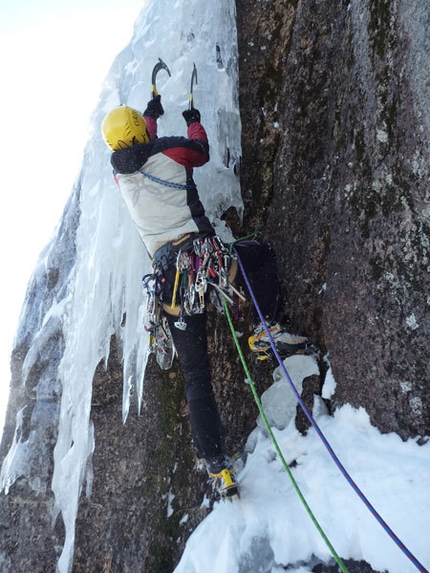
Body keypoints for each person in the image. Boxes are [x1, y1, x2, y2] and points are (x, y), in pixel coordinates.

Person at [101, 95, 307, 498]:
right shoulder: (171, 150)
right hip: (202, 262)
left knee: (197, 377)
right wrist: (193, 119)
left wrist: (151, 116)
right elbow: (200, 150)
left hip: (168, 287)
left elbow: (138, 150)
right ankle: (265, 330)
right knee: (259, 257)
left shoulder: (120, 177)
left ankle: (218, 468)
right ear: (142, 134)